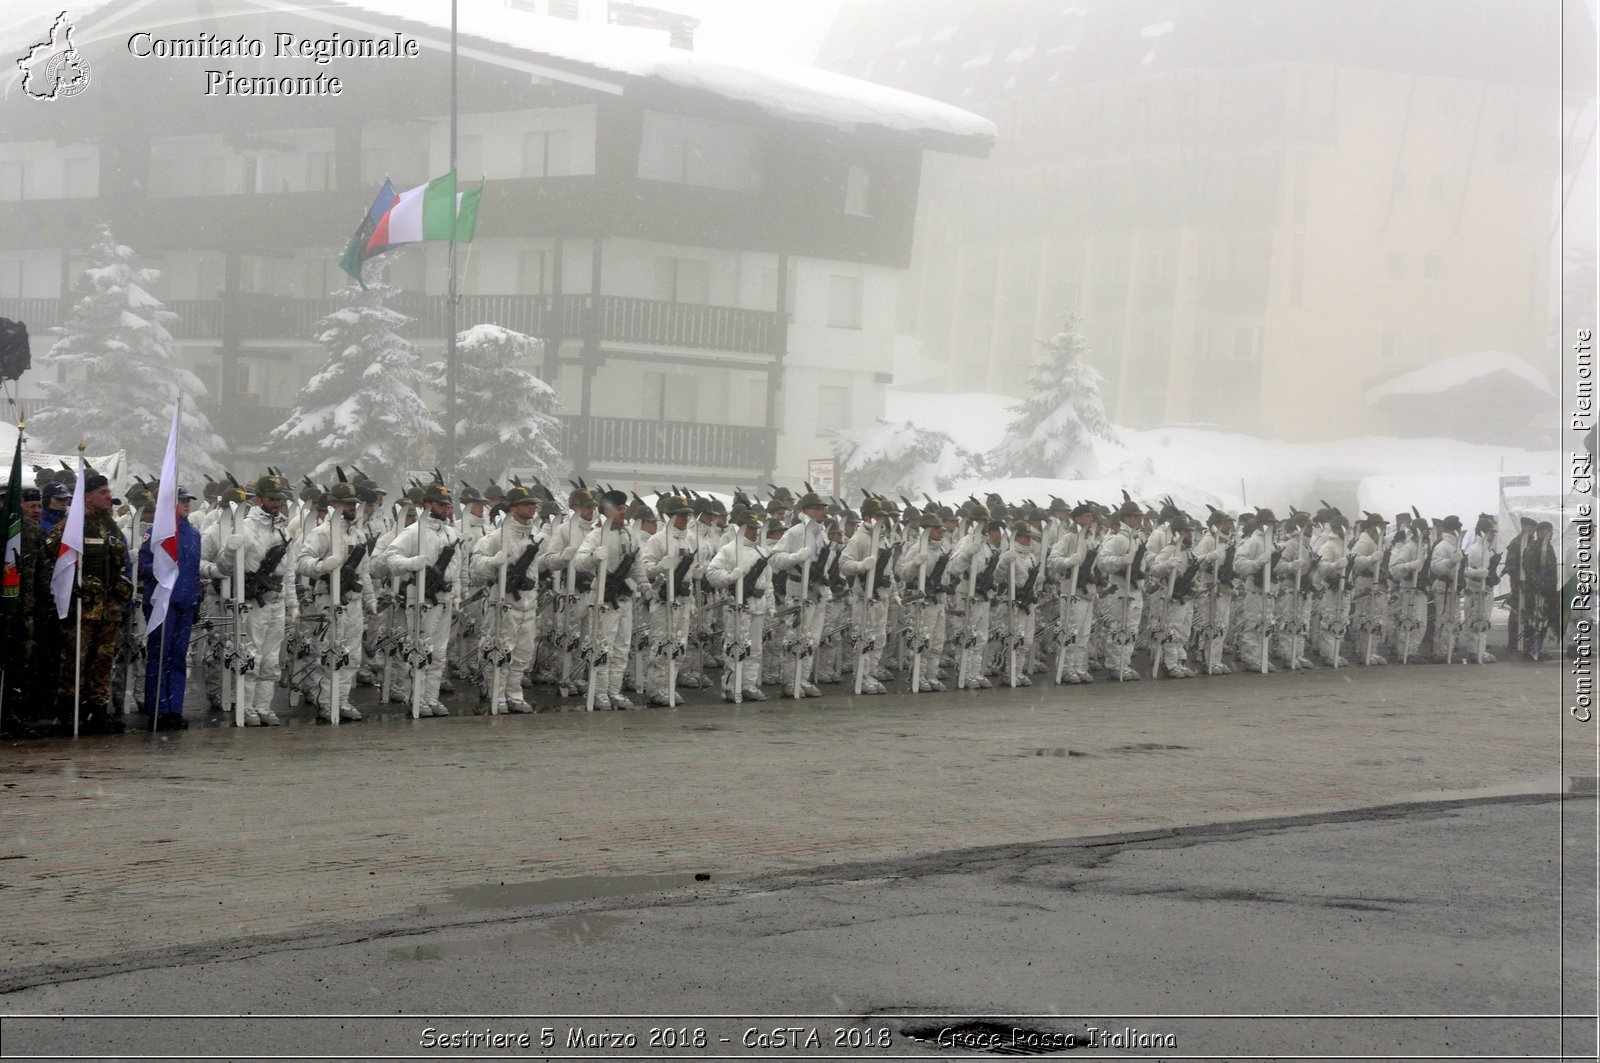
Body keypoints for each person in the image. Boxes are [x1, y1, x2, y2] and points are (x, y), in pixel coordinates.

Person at [43, 472, 133, 734]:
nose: (108, 498)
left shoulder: (112, 527)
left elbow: (121, 562)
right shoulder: (73, 525)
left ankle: (98, 709)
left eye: (108, 492)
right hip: (83, 608)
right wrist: (70, 585)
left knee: (104, 659)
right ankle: (69, 710)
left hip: (109, 609)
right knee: (76, 659)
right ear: (87, 496)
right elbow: (53, 557)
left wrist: (123, 586)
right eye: (103, 493)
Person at [379, 480, 461, 717]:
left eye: (448, 505)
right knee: (419, 649)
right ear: (427, 505)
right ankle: (414, 696)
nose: (446, 509)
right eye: (440, 504)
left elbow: (458, 566)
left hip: (444, 597)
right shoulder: (414, 531)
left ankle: (431, 697)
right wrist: (411, 563)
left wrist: (456, 594)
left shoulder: (451, 533)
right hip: (422, 598)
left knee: (439, 652)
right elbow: (390, 557)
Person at [218, 474, 295, 726]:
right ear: (258, 499)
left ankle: (263, 706)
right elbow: (224, 568)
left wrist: (292, 602)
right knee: (250, 656)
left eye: (279, 499)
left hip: (277, 600)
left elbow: (289, 570)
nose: (276, 503)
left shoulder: (282, 528)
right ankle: (246, 706)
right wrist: (230, 550)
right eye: (272, 499)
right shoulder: (245, 527)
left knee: (272, 660)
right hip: (254, 602)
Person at [295, 478, 373, 722]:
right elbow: (301, 562)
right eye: (348, 503)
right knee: (330, 652)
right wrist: (321, 566)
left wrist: (370, 598)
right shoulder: (321, 533)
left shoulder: (358, 535)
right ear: (335, 504)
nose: (353, 507)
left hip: (353, 599)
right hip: (329, 597)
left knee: (352, 654)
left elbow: (364, 572)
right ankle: (327, 702)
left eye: (354, 503)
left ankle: (342, 700)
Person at [469, 483, 543, 713]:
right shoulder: (496, 537)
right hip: (503, 603)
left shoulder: (532, 537)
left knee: (523, 653)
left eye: (532, 504)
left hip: (528, 604)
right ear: (513, 508)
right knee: (498, 651)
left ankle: (514, 693)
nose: (531, 508)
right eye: (526, 504)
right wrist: (492, 563)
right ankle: (496, 694)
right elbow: (474, 568)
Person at [138, 485, 203, 730]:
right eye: (182, 500)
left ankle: (174, 708)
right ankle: (158, 708)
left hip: (185, 603)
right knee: (160, 656)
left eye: (188, 500)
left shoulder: (194, 534)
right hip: (163, 603)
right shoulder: (156, 533)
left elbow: (194, 571)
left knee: (178, 658)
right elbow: (144, 566)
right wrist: (163, 569)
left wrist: (195, 599)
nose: (187, 504)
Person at [574, 489, 639, 709]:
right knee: (603, 647)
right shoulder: (596, 535)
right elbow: (578, 562)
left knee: (622, 647)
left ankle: (614, 691)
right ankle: (599, 692)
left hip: (624, 598)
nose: (624, 512)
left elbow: (637, 563)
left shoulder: (629, 534)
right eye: (620, 509)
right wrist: (594, 557)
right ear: (608, 511)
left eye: (624, 508)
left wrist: (644, 583)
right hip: (603, 597)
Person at [707, 509, 771, 702]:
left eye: (756, 528)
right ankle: (731, 686)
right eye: (751, 528)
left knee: (755, 649)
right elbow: (712, 573)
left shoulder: (762, 551)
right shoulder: (729, 550)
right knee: (735, 647)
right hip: (738, 605)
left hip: (758, 605)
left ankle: (748, 685)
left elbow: (768, 582)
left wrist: (771, 603)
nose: (755, 532)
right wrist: (729, 577)